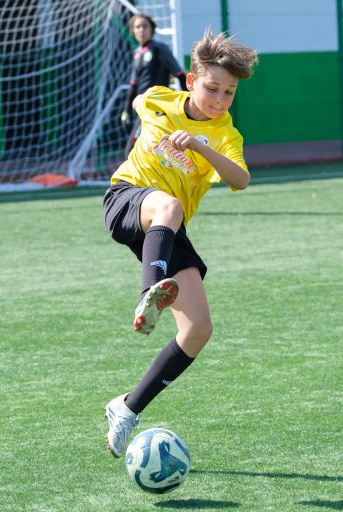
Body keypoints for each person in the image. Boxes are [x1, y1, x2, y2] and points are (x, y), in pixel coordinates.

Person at [102, 29, 258, 458]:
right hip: (127, 198)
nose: (219, 100)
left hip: (167, 230)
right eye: (212, 88)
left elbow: (241, 180)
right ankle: (147, 294)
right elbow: (140, 101)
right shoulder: (159, 99)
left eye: (229, 92)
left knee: (198, 330)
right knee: (169, 205)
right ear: (190, 82)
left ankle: (128, 407)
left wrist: (200, 148)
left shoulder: (225, 136)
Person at [120, 13, 186, 137]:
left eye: (145, 26)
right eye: (138, 27)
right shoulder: (137, 53)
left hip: (159, 105)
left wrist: (188, 103)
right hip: (142, 106)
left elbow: (180, 75)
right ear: (133, 31)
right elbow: (133, 85)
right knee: (141, 143)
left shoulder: (160, 49)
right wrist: (126, 111)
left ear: (152, 29)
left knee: (158, 140)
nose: (141, 30)